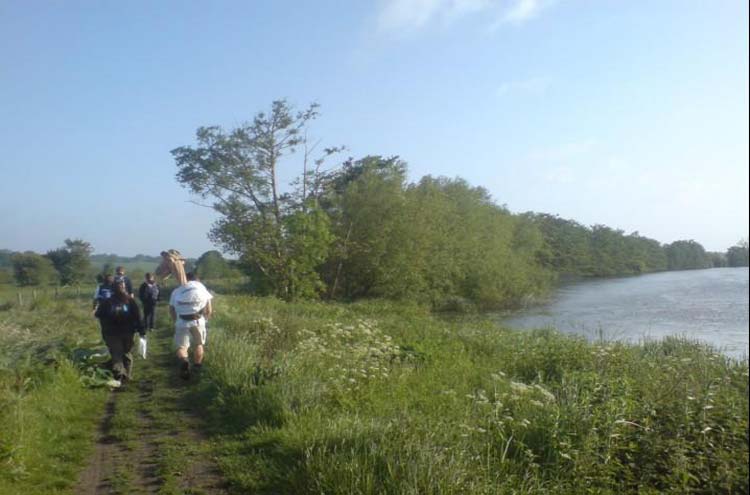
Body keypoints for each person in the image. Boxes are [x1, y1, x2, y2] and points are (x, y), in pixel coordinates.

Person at [95, 279, 145, 383]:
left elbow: (98, 314)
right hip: (125, 332)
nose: (121, 288)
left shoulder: (107, 302)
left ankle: (120, 375)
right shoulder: (130, 300)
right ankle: (124, 375)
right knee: (125, 354)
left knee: (118, 353)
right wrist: (141, 331)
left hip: (112, 332)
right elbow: (138, 316)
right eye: (121, 287)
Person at [169, 270, 213, 379]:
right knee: (198, 344)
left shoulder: (177, 291)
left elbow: (171, 309)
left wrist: (176, 321)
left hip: (182, 321)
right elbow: (209, 310)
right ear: (197, 280)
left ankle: (184, 360)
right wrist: (205, 319)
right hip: (198, 320)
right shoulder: (202, 289)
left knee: (181, 347)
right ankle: (197, 366)